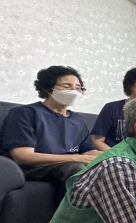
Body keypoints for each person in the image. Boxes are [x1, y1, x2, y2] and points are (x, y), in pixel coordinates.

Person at [0, 65, 100, 204]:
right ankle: (69, 222)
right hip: (31, 168)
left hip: (67, 165)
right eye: (66, 86)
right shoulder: (25, 113)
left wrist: (114, 157)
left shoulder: (77, 121)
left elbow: (88, 152)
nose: (74, 91)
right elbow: (23, 156)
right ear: (48, 88)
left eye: (78, 88)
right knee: (76, 168)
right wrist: (77, 158)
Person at [91, 67, 136, 151]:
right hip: (113, 156)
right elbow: (97, 141)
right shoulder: (111, 108)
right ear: (131, 85)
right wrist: (117, 155)